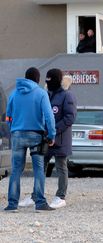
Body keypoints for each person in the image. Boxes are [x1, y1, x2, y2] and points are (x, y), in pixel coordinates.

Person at [18, 70, 77, 209]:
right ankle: (35, 196)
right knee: (40, 167)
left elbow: (70, 117)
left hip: (61, 139)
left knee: (61, 167)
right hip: (44, 138)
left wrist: (54, 130)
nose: (48, 82)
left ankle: (60, 196)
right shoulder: (46, 94)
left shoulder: (67, 95)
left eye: (51, 79)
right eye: (47, 80)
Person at [4, 67, 56, 212]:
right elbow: (49, 116)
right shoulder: (41, 93)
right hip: (36, 135)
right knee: (38, 169)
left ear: (26, 78)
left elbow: (8, 116)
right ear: (38, 79)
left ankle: (12, 204)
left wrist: (13, 128)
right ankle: (40, 203)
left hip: (17, 134)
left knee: (16, 170)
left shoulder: (14, 93)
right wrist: (51, 135)